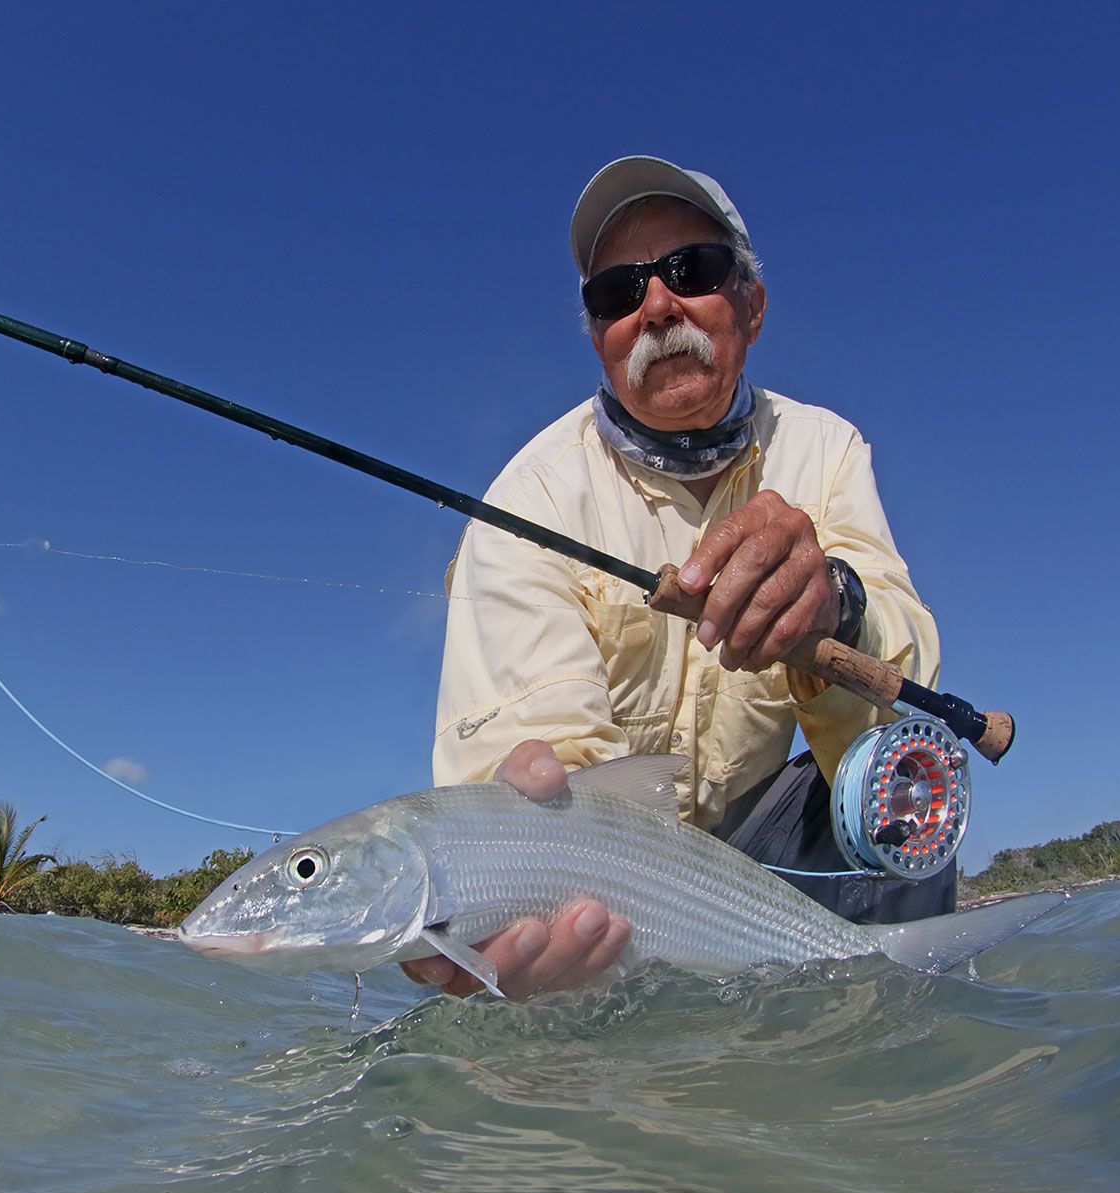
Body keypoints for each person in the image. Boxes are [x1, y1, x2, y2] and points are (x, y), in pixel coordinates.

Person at [404, 156, 949, 1000]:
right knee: (523, 972)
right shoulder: (527, 499)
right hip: (614, 882)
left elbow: (901, 679)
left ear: (753, 304)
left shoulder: (826, 448)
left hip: (768, 856)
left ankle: (899, 1077)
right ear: (597, 335)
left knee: (902, 780)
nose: (656, 306)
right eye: (617, 293)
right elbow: (538, 766)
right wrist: (532, 905)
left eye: (690, 271)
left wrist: (835, 603)